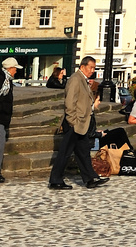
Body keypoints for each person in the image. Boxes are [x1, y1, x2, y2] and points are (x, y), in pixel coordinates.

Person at [49, 57, 108, 190]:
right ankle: (55, 179)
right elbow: (70, 101)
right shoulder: (76, 79)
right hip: (75, 123)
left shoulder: (83, 80)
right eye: (90, 67)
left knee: (83, 152)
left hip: (82, 123)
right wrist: (72, 121)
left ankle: (90, 178)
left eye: (94, 68)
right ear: (82, 67)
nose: (92, 71)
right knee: (65, 152)